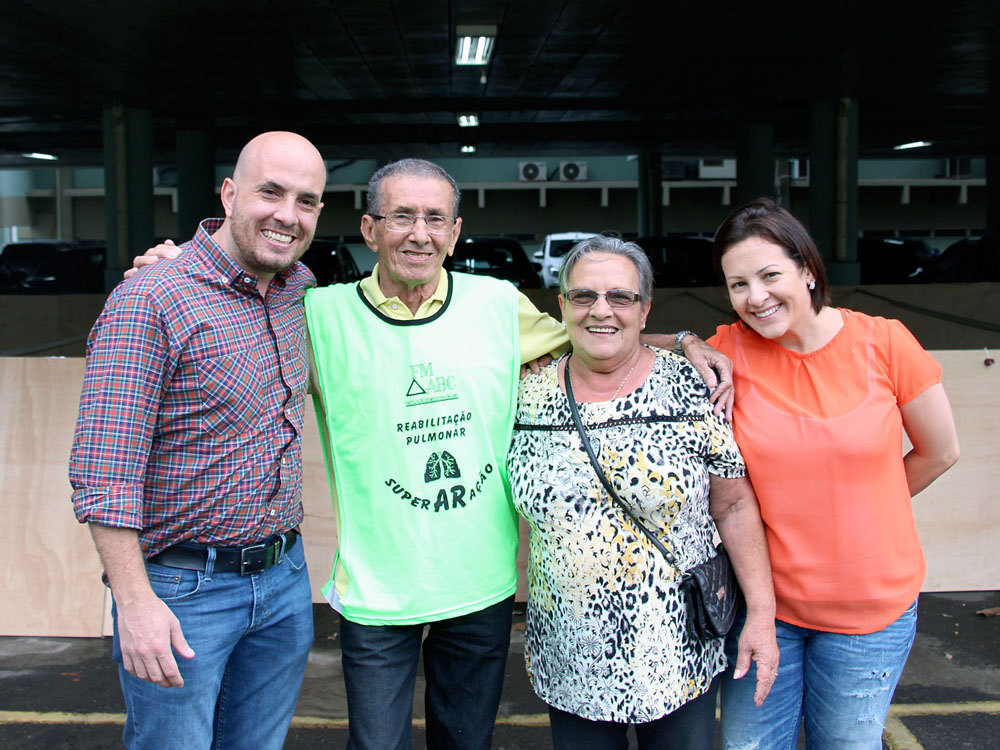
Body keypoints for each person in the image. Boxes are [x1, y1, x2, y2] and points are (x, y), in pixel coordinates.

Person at [130, 157, 735, 750]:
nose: (420, 233)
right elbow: (238, 299)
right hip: (376, 593)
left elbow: (597, 336)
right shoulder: (317, 313)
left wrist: (682, 340)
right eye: (402, 216)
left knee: (466, 740)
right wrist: (175, 269)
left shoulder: (498, 304)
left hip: (481, 586)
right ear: (369, 229)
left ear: (454, 233)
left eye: (435, 218)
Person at [69, 131, 326, 750]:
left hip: (284, 579)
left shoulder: (299, 288)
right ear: (230, 193)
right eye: (270, 192)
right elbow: (105, 471)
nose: (287, 215)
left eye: (307, 200)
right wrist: (135, 603)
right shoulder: (151, 299)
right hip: (184, 592)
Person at [507, 235, 779, 750]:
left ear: (644, 307)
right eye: (583, 296)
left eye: (620, 297)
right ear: (561, 305)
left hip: (679, 654)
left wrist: (761, 617)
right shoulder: (523, 396)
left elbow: (736, 505)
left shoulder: (690, 387)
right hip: (571, 658)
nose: (600, 310)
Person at [709, 198, 961, 749]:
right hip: (765, 607)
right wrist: (683, 341)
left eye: (770, 274)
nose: (755, 297)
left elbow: (939, 451)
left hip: (871, 610)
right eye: (737, 284)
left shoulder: (885, 341)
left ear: (806, 268)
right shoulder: (728, 350)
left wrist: (871, 507)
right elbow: (631, 344)